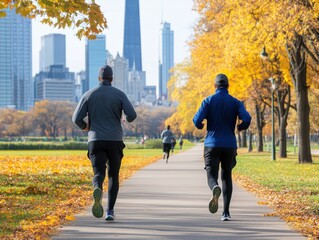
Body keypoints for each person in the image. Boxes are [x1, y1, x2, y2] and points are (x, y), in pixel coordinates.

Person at [72, 65, 137, 221]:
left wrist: (85, 126)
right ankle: (110, 211)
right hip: (115, 140)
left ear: (99, 78)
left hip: (95, 140)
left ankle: (97, 188)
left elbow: (76, 118)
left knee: (99, 173)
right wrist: (126, 119)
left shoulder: (88, 95)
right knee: (113, 175)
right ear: (112, 79)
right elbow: (132, 115)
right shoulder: (119, 95)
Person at [193, 73, 251, 221]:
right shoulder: (235, 102)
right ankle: (226, 212)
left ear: (215, 86)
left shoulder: (208, 101)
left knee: (211, 175)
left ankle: (214, 188)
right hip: (229, 145)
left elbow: (196, 119)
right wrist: (241, 126)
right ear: (228, 86)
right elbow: (247, 118)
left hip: (211, 144)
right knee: (227, 177)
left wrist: (200, 125)